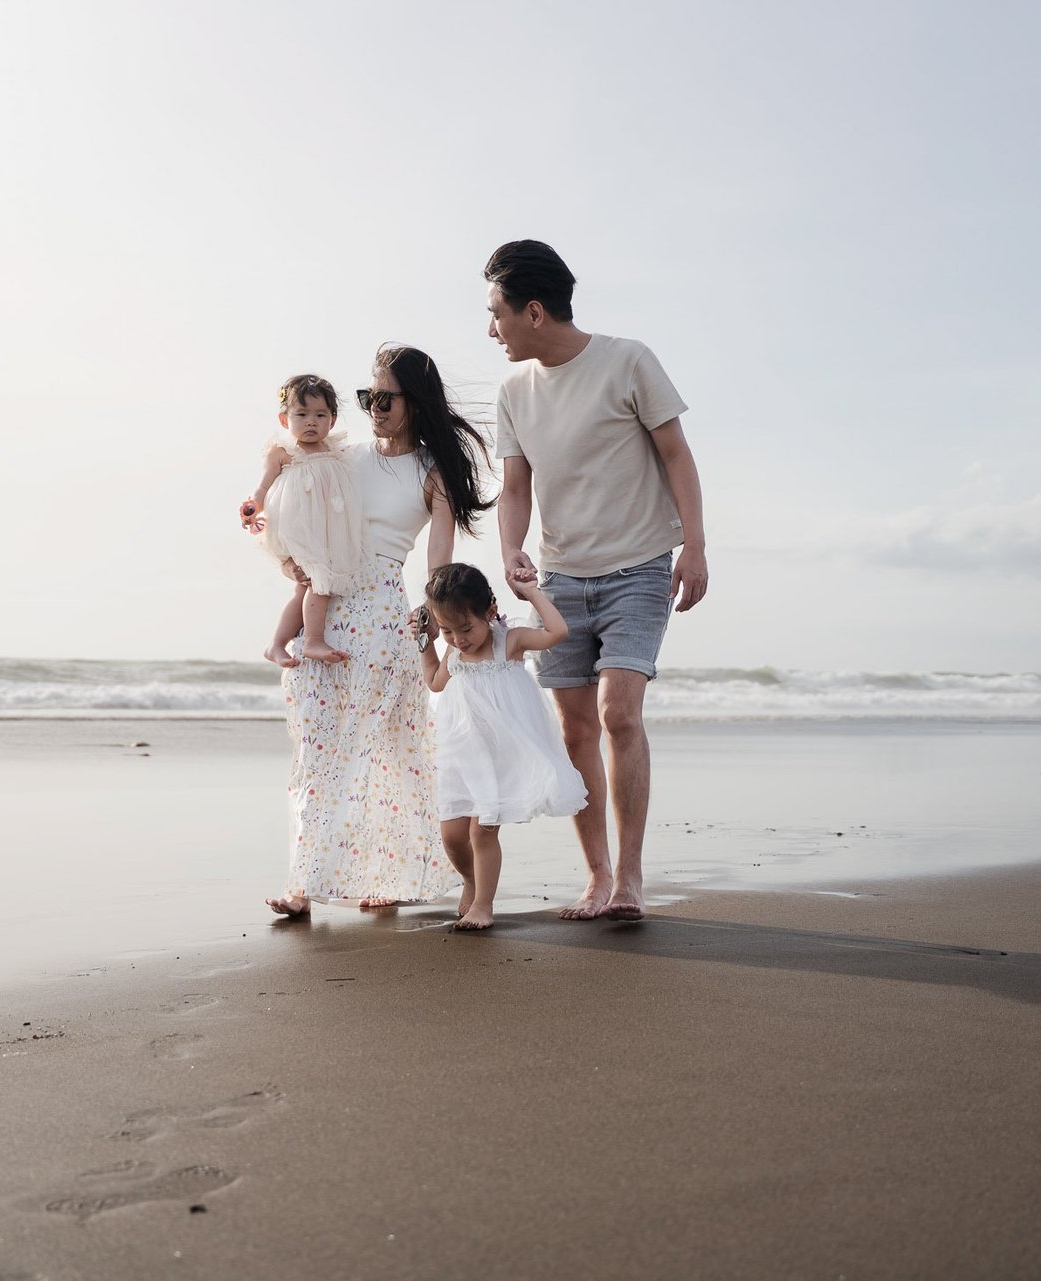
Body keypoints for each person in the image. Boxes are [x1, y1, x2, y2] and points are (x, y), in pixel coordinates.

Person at [484, 239, 709, 922]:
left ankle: (632, 877)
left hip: (639, 565)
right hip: (560, 576)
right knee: (576, 727)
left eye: (495, 313)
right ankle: (597, 874)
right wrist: (512, 549)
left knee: (618, 713)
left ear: (533, 310)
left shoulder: (628, 360)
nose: (489, 328)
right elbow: (515, 485)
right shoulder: (514, 390)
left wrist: (694, 548)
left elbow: (676, 453)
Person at [258, 345, 495, 918]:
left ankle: (386, 873)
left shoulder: (433, 474)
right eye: (368, 397)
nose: (374, 407)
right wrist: (281, 549)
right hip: (327, 608)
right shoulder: (343, 456)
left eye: (385, 397)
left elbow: (438, 565)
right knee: (317, 748)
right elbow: (290, 505)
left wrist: (438, 630)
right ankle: (301, 883)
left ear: (415, 400)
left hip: (386, 618)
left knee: (384, 752)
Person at [415, 563, 587, 931]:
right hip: (462, 755)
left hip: (502, 755)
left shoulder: (510, 641)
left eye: (465, 628)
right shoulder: (454, 653)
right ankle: (472, 880)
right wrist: (426, 642)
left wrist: (532, 592)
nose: (459, 639)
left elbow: (558, 631)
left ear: (490, 612)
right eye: (447, 630)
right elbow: (434, 683)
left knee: (482, 831)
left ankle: (483, 905)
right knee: (452, 836)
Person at [239, 374, 366, 666]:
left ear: (332, 421)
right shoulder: (283, 452)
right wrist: (253, 506)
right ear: (285, 420)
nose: (311, 421)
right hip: (298, 529)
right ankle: (313, 641)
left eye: (320, 415)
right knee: (317, 583)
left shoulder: (335, 451)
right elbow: (263, 486)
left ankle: (276, 644)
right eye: (302, 414)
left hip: (326, 533)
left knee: (306, 587)